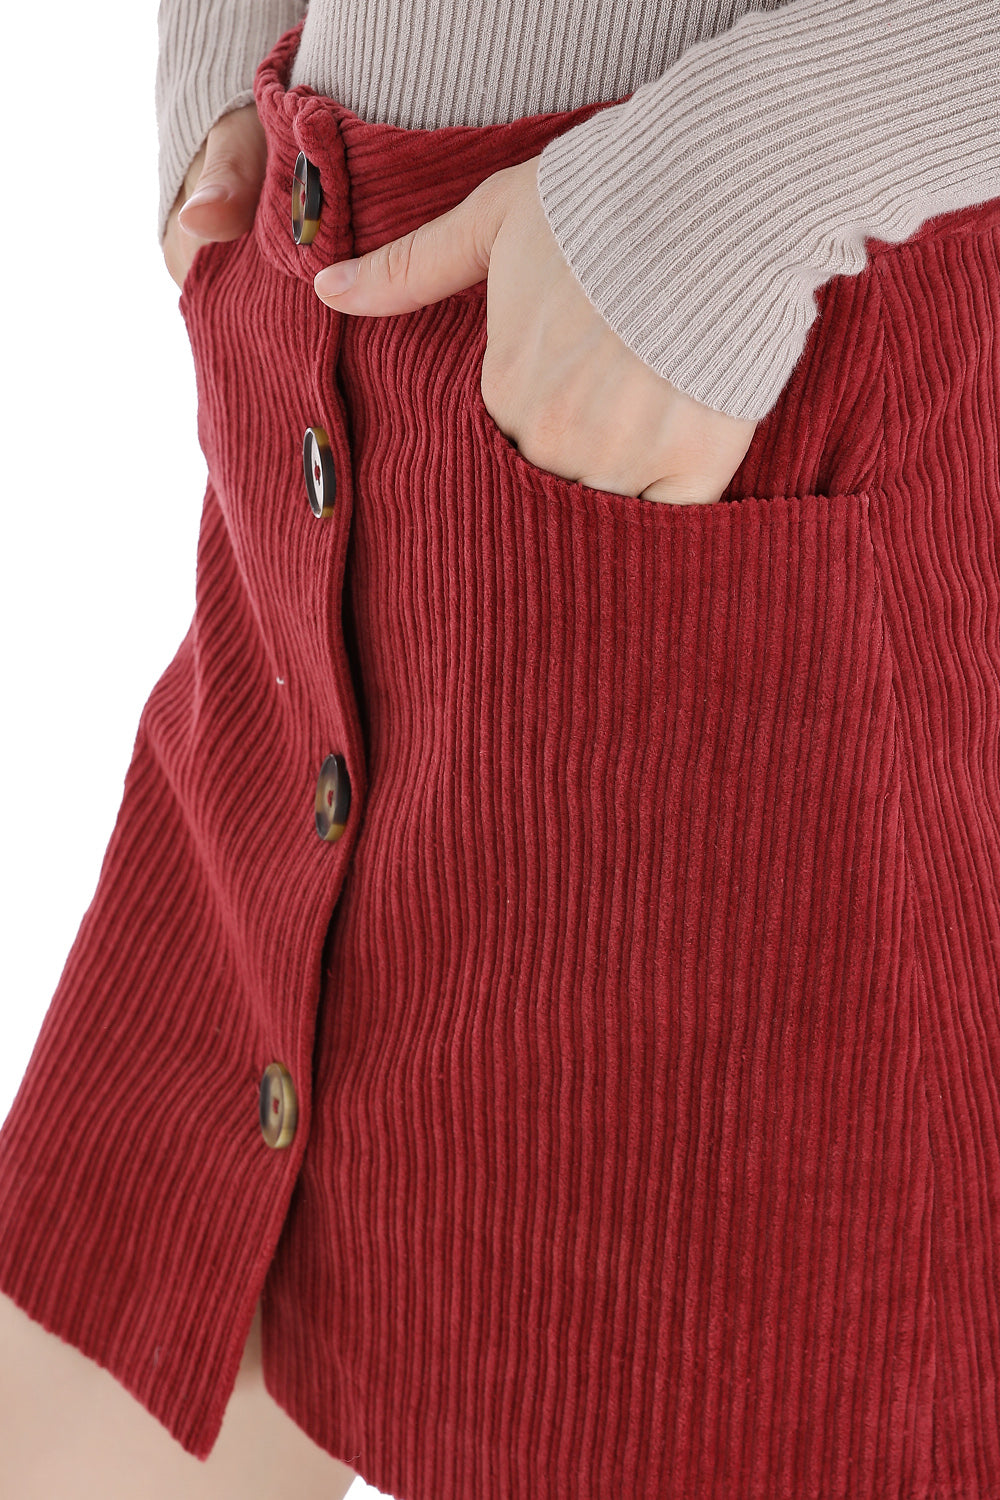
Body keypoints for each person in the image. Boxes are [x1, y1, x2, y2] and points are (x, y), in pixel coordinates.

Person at [2, 3, 999, 1497]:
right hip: (335, 371)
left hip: (738, 402)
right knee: (105, 1358)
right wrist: (224, 55)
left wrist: (747, 178)